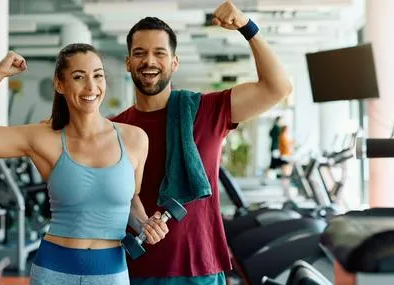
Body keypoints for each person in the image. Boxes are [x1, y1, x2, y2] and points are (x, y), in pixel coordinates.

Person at [0, 44, 169, 285]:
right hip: (54, 271)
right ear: (60, 84)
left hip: (110, 273)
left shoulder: (135, 138)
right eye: (78, 77)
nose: (91, 87)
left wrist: (145, 224)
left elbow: (131, 200)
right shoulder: (43, 138)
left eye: (98, 75)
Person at [110, 0, 293, 284]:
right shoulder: (115, 129)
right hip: (135, 268)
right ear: (128, 62)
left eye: (160, 53)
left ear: (174, 62)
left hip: (201, 269)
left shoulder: (206, 110)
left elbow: (278, 87)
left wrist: (247, 26)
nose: (149, 61)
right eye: (139, 53)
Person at [262, 116, 283, 185]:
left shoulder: (274, 127)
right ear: (278, 120)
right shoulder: (277, 128)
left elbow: (270, 134)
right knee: (273, 165)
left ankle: (265, 178)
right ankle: (265, 178)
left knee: (273, 164)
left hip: (274, 148)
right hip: (275, 148)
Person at [278, 125, 294, 199]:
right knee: (286, 175)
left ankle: (285, 191)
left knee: (285, 175)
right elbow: (286, 147)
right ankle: (285, 191)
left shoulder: (284, 136)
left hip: (285, 156)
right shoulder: (283, 136)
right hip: (285, 157)